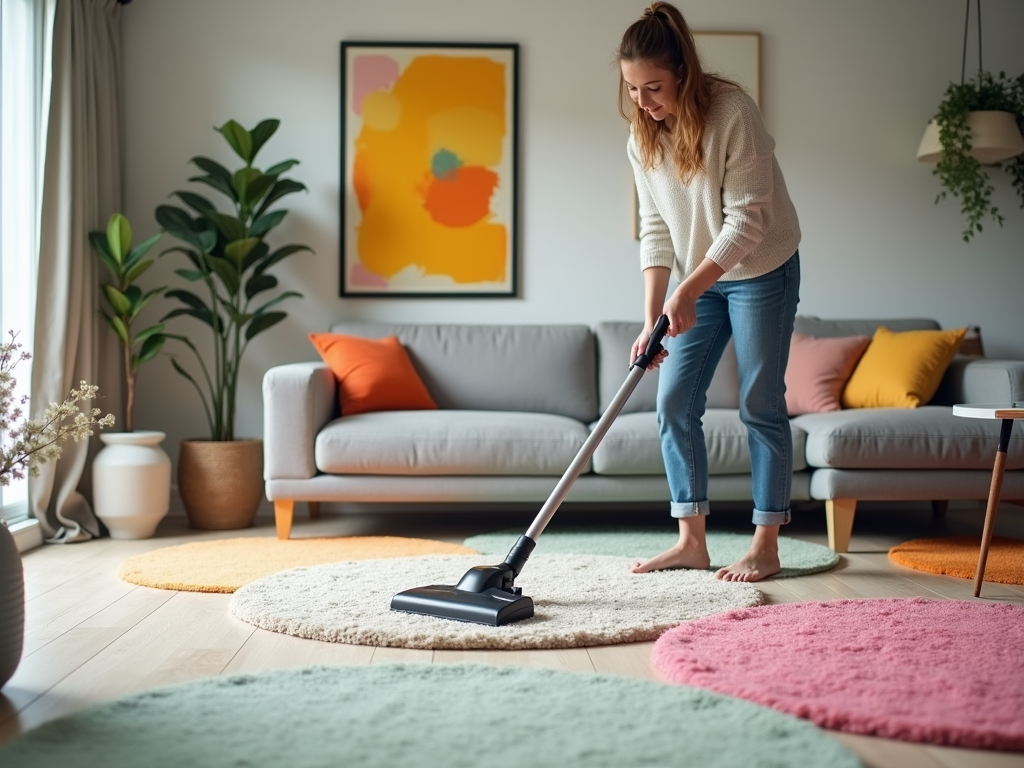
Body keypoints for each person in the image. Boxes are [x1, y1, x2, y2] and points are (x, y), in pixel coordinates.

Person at [620, 2, 801, 582]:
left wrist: (689, 291)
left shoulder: (732, 113)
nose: (643, 102)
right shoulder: (641, 137)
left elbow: (748, 221)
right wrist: (653, 317)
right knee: (673, 402)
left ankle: (765, 544)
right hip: (704, 278)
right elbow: (654, 229)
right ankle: (690, 541)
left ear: (683, 74)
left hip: (762, 270)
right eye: (632, 89)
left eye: (654, 87)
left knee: (759, 404)